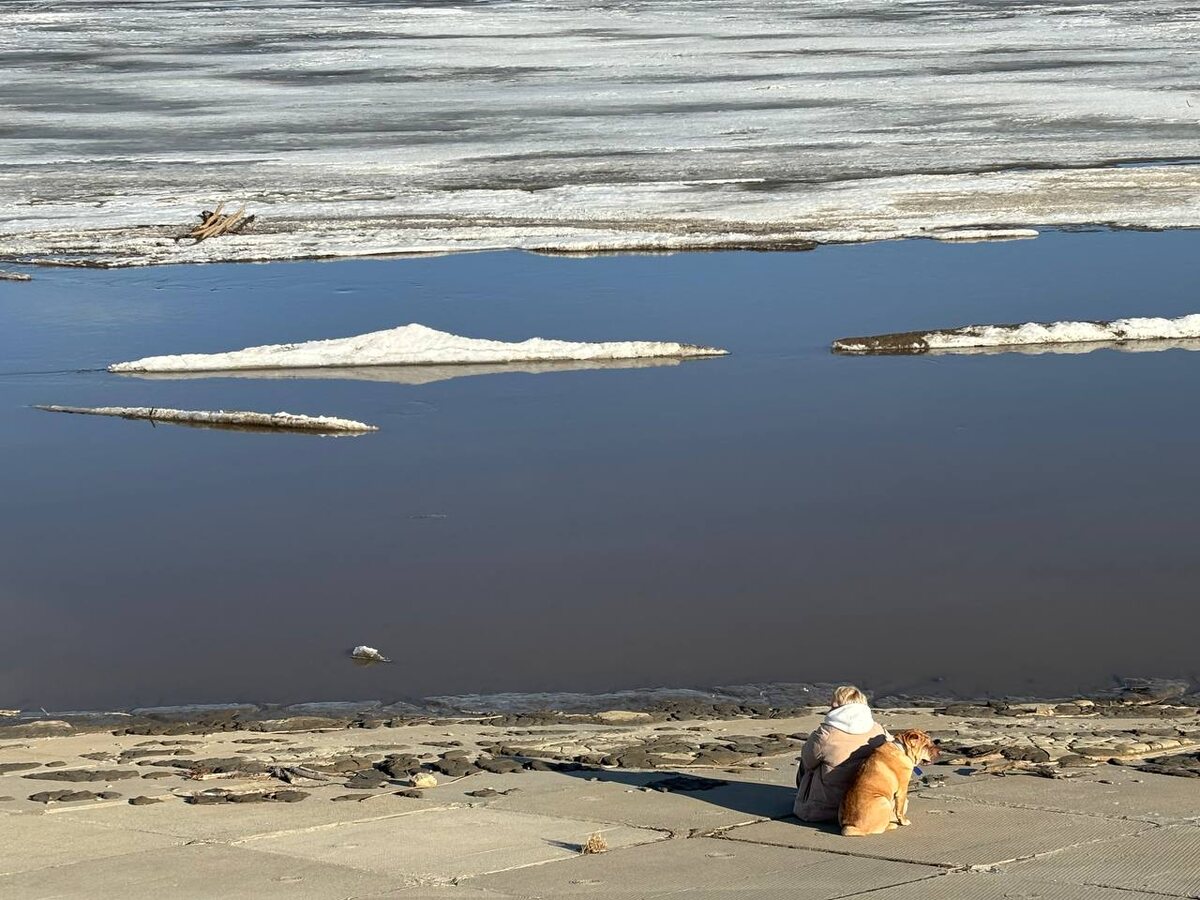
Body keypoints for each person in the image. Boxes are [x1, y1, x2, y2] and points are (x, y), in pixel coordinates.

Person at [794, 685, 888, 823]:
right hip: (862, 806)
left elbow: (808, 763)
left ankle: (805, 799)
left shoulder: (825, 734)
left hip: (825, 809)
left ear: (836, 705)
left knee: (807, 759)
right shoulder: (878, 731)